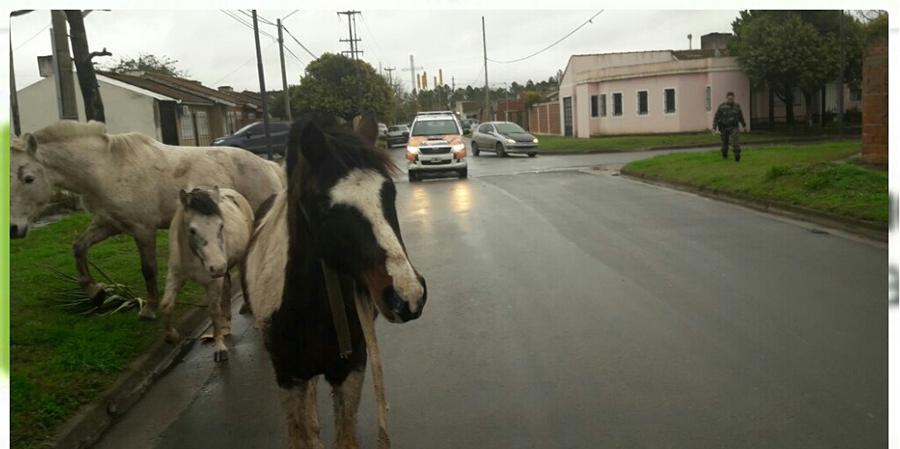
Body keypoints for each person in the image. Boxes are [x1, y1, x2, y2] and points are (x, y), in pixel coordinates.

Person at [712, 92, 747, 162]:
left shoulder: (737, 106)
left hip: (734, 127)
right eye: (729, 99)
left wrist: (744, 125)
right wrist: (714, 127)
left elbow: (740, 116)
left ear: (734, 98)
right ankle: (724, 154)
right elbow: (717, 117)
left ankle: (737, 155)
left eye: (732, 99)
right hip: (724, 127)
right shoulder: (722, 106)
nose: (730, 100)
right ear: (726, 98)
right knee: (725, 142)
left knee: (735, 141)